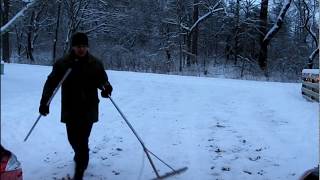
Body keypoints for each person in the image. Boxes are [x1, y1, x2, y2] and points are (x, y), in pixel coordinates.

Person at [39, 32, 113, 180]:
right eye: (78, 46)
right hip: (70, 108)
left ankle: (79, 170)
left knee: (83, 140)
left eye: (84, 46)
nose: (81, 49)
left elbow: (103, 80)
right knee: (73, 139)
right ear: (73, 47)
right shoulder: (63, 63)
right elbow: (51, 83)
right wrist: (44, 102)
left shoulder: (95, 63)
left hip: (89, 108)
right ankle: (81, 154)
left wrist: (106, 88)